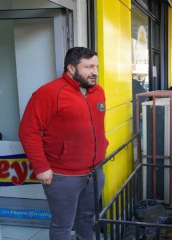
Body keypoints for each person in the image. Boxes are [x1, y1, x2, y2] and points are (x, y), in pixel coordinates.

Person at [19, 47, 109, 240]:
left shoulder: (98, 92)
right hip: (63, 176)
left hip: (94, 172)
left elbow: (97, 127)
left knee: (86, 219)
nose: (95, 72)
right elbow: (28, 131)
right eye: (89, 67)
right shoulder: (48, 93)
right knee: (63, 225)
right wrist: (41, 167)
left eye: (97, 66)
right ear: (71, 68)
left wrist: (103, 147)